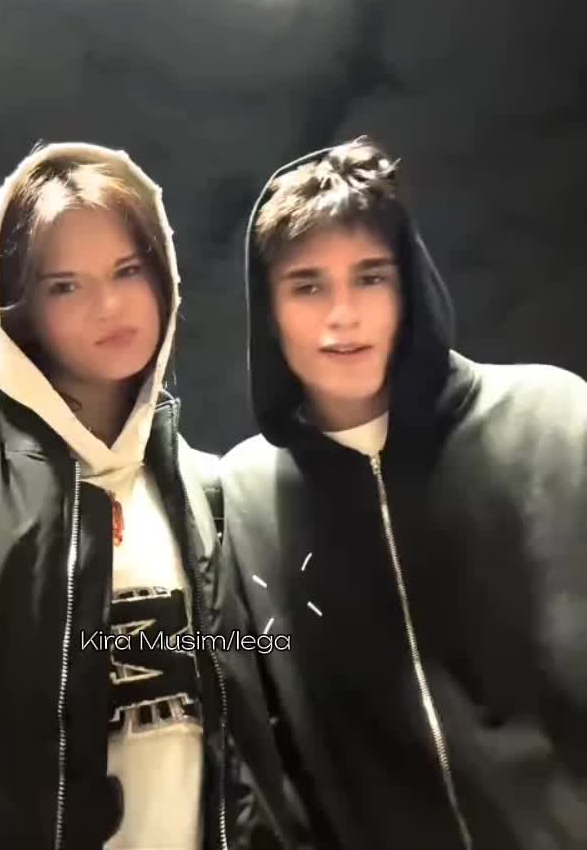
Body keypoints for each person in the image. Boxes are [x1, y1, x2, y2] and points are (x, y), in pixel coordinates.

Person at [0, 142, 290, 849]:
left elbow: (247, 737)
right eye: (65, 285)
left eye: (128, 270)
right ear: (19, 306)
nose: (109, 306)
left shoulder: (204, 487)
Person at [220, 136, 587, 849]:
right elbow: (262, 758)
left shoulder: (553, 419)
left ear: (407, 286)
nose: (343, 314)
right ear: (269, 311)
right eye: (307, 286)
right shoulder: (241, 496)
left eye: (370, 277)